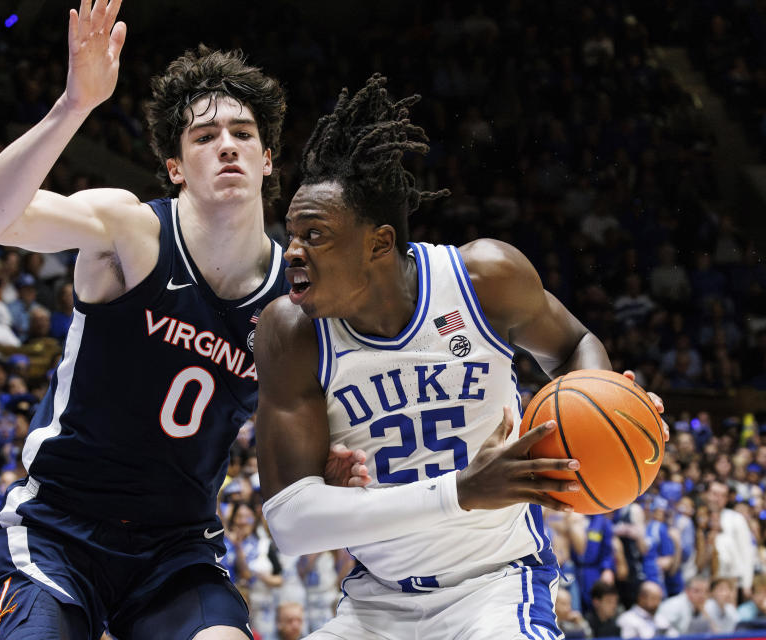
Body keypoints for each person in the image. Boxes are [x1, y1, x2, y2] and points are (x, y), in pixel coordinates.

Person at [0, 2, 362, 638]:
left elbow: (301, 436)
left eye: (242, 133)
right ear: (176, 168)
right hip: (58, 531)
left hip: (177, 552)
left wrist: (326, 465)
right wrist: (74, 104)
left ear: (267, 161)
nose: (225, 144)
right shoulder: (130, 231)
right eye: (204, 137)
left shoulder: (294, 302)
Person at [254, 75, 667, 639]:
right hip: (377, 602)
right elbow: (292, 523)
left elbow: (573, 345)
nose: (293, 249)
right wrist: (459, 493)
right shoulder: (289, 332)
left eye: (316, 234)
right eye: (292, 232)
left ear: (378, 243)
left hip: (495, 586)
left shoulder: (481, 278)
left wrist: (607, 404)